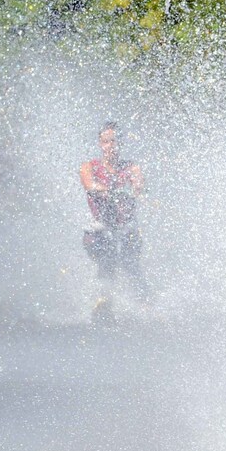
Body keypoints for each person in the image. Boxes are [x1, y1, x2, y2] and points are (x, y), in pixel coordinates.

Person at [79, 122, 150, 313]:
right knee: (107, 259)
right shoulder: (89, 167)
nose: (111, 146)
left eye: (114, 141)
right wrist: (111, 191)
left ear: (121, 143)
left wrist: (133, 187)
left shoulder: (131, 167)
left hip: (126, 226)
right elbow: (90, 185)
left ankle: (146, 309)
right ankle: (104, 303)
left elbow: (138, 185)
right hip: (99, 228)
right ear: (100, 144)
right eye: (106, 142)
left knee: (131, 265)